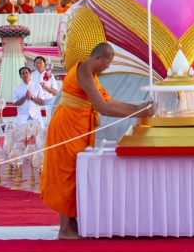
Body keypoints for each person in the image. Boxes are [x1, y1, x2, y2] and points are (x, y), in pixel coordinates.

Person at [41, 42, 152, 239]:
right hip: (67, 127)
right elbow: (103, 107)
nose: (106, 69)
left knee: (76, 172)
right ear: (98, 58)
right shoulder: (84, 71)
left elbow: (110, 100)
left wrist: (139, 106)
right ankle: (64, 229)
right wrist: (138, 111)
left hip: (80, 127)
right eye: (107, 65)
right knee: (67, 174)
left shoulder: (91, 74)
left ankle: (72, 223)